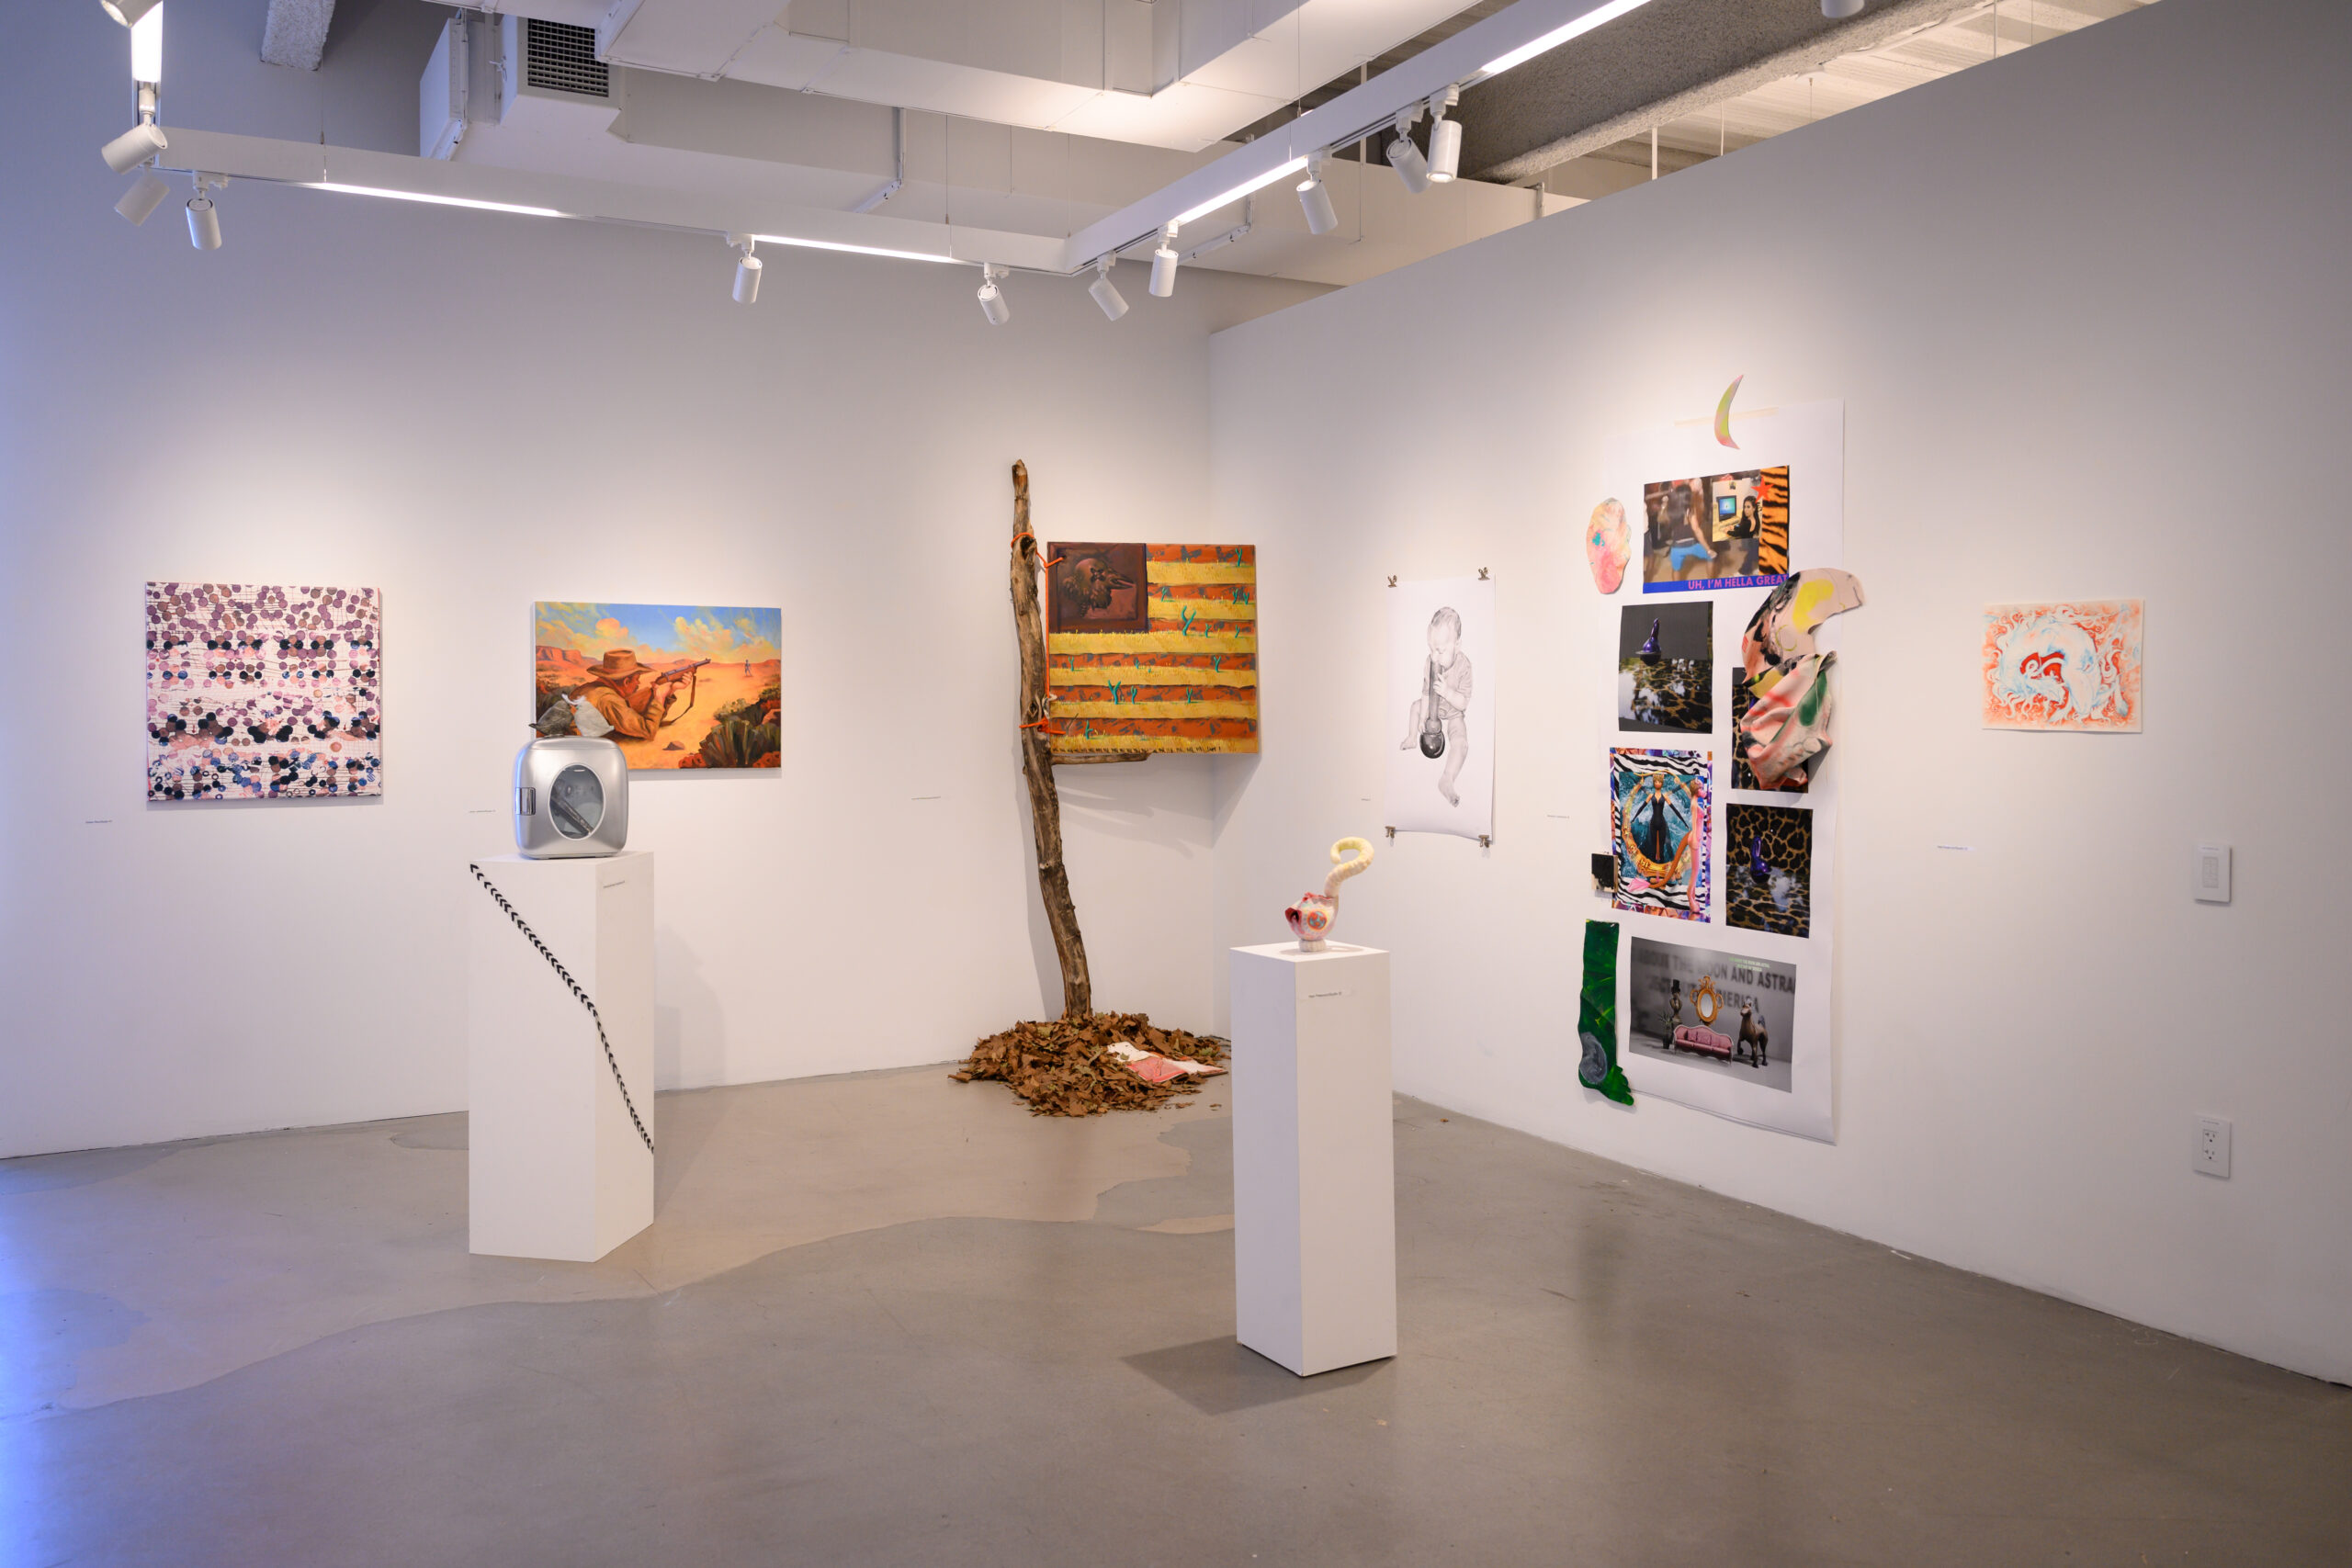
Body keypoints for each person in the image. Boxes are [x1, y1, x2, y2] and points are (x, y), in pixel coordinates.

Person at [1398, 606, 1473, 807]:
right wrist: (1423, 717)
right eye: (1431, 649)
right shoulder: (1430, 662)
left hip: (1454, 712)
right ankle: (1413, 738)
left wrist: (1447, 692)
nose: (1434, 656)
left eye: (1440, 650)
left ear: (1457, 645)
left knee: (1461, 743)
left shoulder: (1464, 666)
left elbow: (1463, 702)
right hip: (1434, 709)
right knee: (1414, 707)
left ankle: (1447, 779)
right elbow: (1425, 692)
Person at [569, 647, 696, 741]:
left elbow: (634, 718)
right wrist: (659, 697)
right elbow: (648, 730)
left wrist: (671, 689)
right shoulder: (609, 699)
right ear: (626, 681)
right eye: (637, 679)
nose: (638, 683)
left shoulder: (589, 689)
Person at [1662, 479, 1717, 581]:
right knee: (1711, 558)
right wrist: (1708, 549)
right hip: (1692, 545)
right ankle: (1711, 583)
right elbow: (1697, 530)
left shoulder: (1670, 509)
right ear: (1687, 497)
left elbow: (1663, 519)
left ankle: (1676, 591)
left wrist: (1665, 505)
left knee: (1676, 570)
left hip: (1676, 547)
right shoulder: (1689, 511)